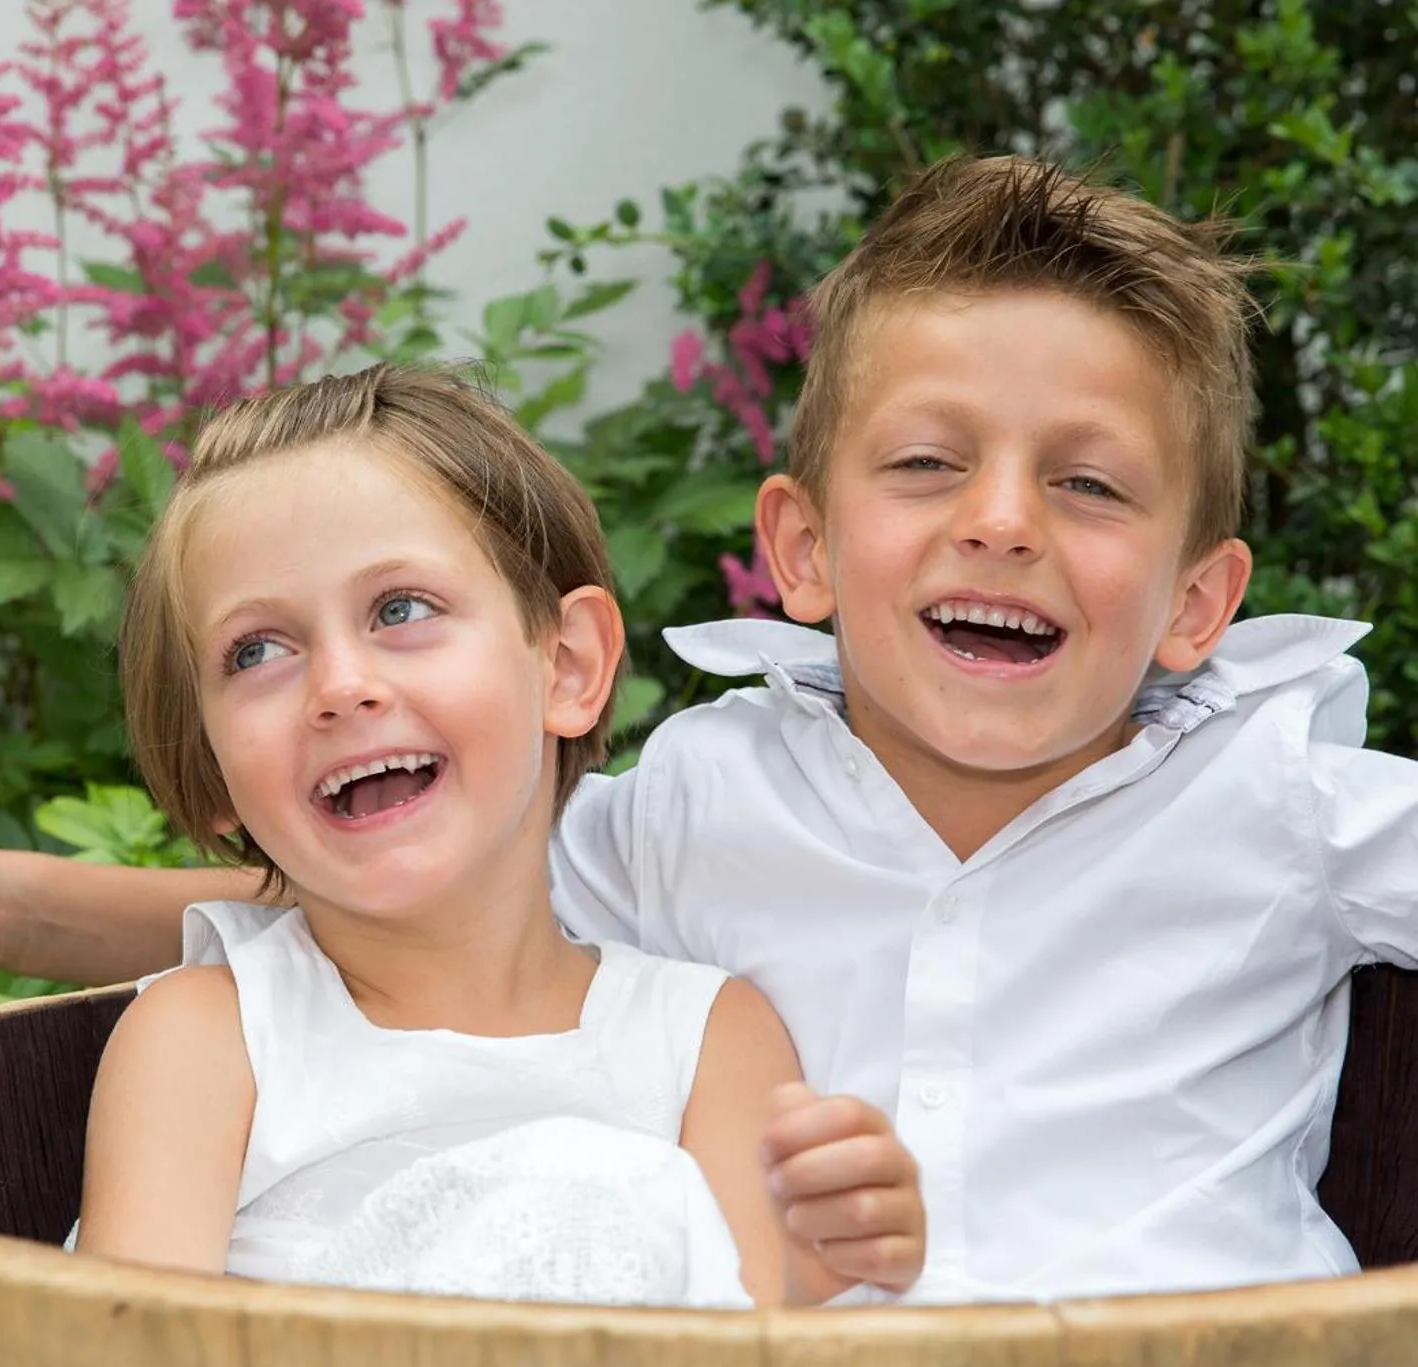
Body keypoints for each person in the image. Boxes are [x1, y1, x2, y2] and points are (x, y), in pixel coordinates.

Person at [0, 153, 1418, 1304]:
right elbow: (410, 919)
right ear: (800, 549)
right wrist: (1, 904)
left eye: (1088, 484)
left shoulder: (1280, 803)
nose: (1000, 522)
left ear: (1198, 602)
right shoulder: (708, 806)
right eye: (924, 462)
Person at [92, 365, 920, 1306]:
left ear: (566, 665)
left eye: (400, 609)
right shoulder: (214, 1041)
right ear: (212, 769)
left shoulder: (702, 1042)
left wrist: (814, 1260)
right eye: (257, 651)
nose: (339, 685)